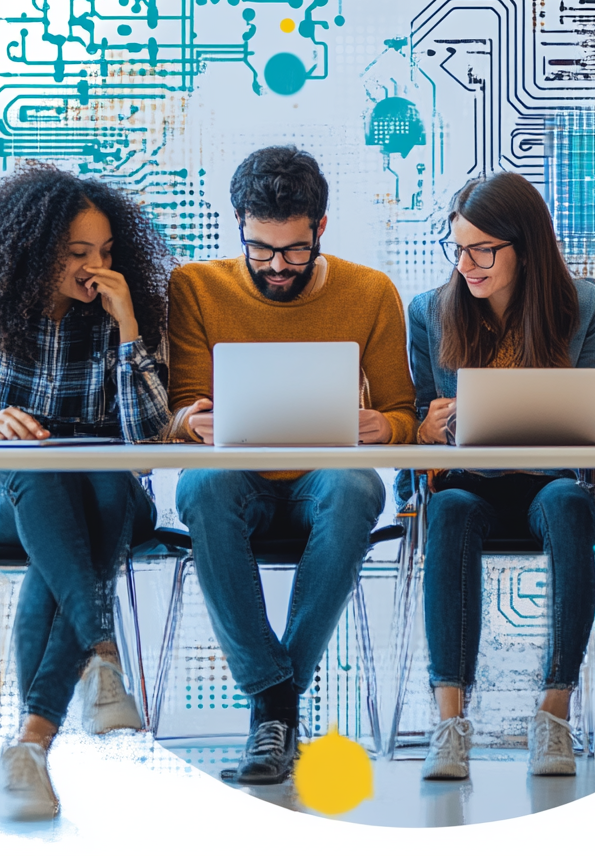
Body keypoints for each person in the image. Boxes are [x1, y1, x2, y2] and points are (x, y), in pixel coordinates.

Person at [0, 165, 172, 821]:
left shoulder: (122, 316)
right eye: (78, 253)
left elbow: (146, 440)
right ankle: (102, 653)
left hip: (99, 498)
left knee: (92, 505)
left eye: (107, 253)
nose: (96, 267)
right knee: (34, 466)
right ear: (34, 251)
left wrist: (130, 330)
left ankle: (29, 749)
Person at [167, 145, 417, 785]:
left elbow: (403, 415)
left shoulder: (371, 292)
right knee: (203, 482)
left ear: (321, 230)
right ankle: (279, 703)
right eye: (260, 248)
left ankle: (270, 705)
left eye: (294, 250)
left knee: (355, 484)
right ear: (239, 226)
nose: (277, 267)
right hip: (234, 481)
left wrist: (384, 427)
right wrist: (191, 422)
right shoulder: (195, 286)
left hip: (323, 480)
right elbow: (175, 413)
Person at [407, 172, 595, 781]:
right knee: (446, 510)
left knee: (568, 505)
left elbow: (585, 407)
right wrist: (426, 428)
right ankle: (450, 723)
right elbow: (420, 415)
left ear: (524, 245)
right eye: (458, 249)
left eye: (484, 250)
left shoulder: (580, 306)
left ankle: (553, 713)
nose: (468, 264)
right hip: (467, 482)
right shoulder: (429, 311)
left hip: (547, 480)